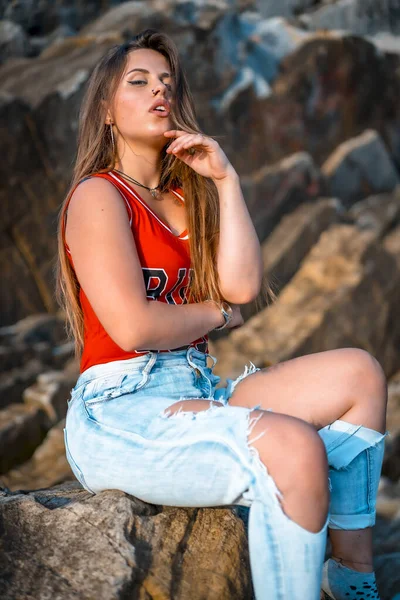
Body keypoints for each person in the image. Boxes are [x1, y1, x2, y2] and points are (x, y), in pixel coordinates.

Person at [55, 29, 389, 600]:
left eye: (166, 82)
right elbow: (135, 326)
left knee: (359, 374)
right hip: (121, 409)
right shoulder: (98, 196)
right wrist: (215, 315)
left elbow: (242, 285)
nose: (159, 91)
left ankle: (351, 576)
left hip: (195, 391)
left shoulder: (187, 195)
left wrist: (225, 180)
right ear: (107, 110)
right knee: (293, 448)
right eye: (139, 83)